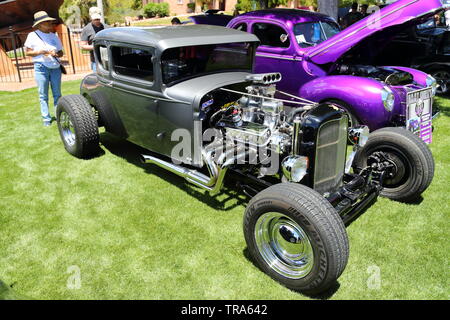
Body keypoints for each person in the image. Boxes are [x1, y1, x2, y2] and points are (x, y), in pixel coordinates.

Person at [24, 11, 64, 127]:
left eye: (50, 21)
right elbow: (27, 52)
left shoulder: (54, 36)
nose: (50, 23)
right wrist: (40, 52)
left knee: (57, 94)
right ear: (40, 24)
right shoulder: (32, 35)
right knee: (43, 94)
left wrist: (56, 54)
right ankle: (46, 118)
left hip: (55, 67)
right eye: (47, 22)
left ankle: (58, 115)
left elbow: (61, 52)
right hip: (41, 67)